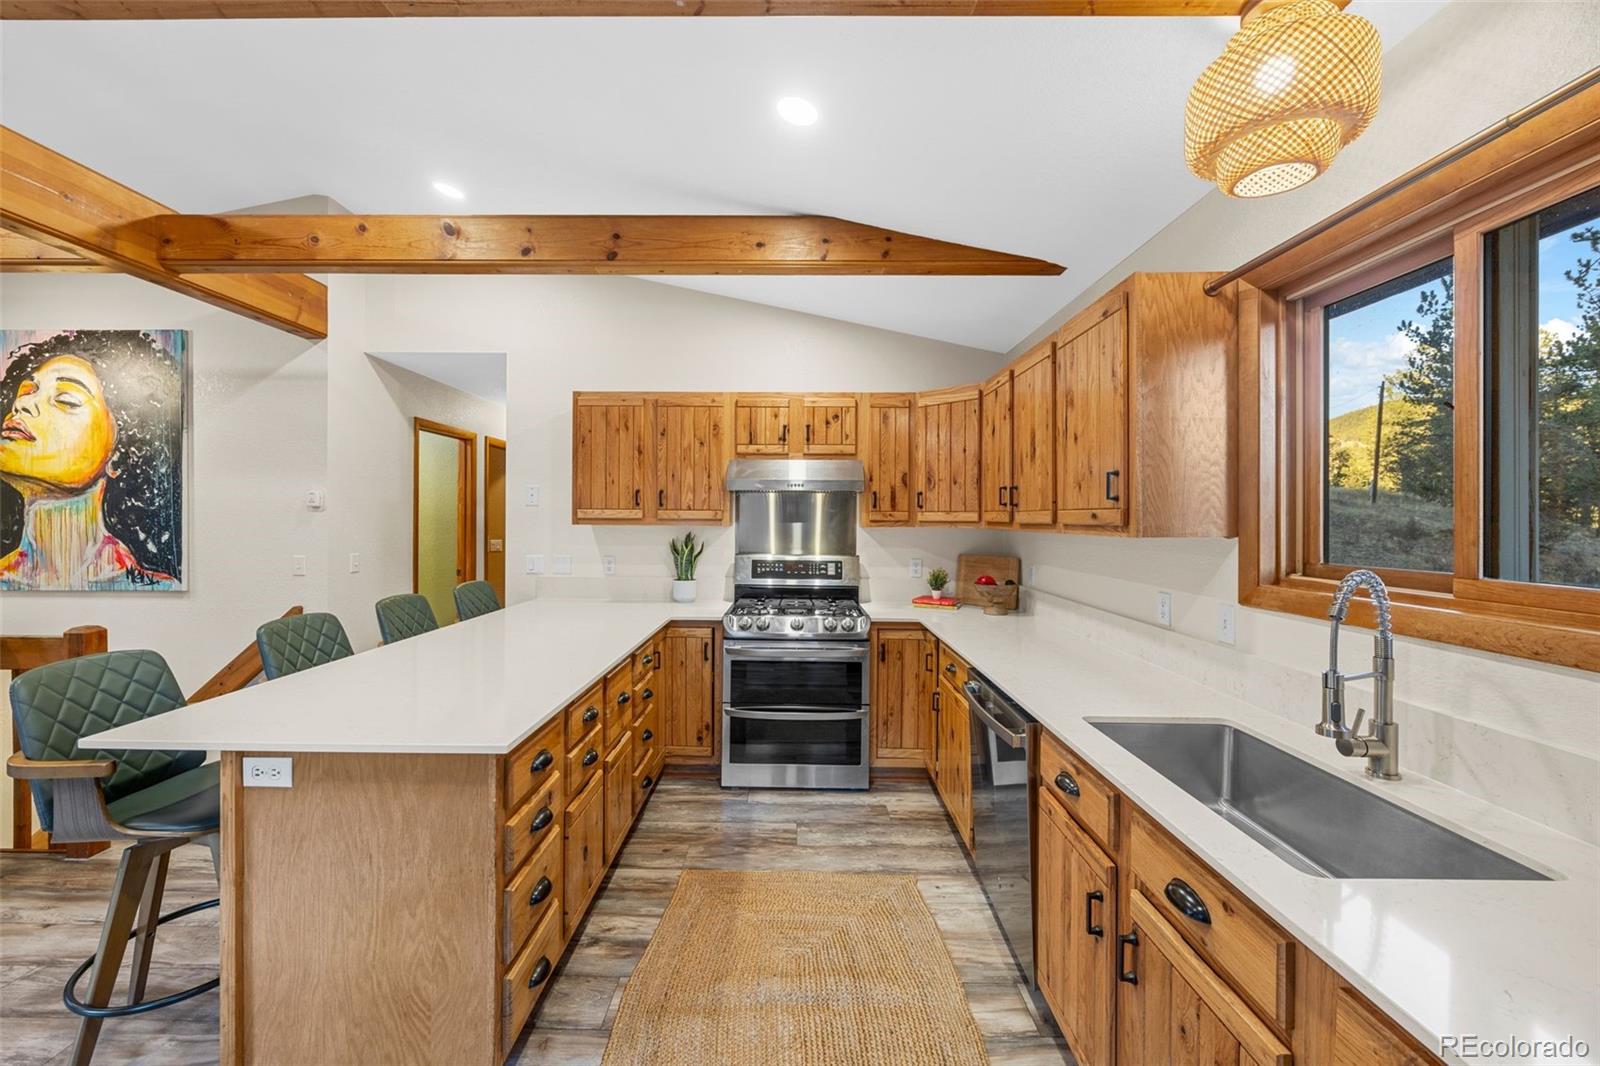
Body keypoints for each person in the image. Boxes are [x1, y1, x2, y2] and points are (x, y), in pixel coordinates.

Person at [0, 330, 184, 591]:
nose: (22, 404)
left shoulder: (157, 587)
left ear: (119, 455)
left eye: (66, 400)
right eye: (27, 391)